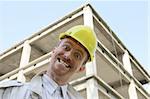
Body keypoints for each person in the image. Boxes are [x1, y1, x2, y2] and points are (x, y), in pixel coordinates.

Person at [0, 25, 97, 99]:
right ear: (54, 51)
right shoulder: (9, 93)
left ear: (81, 68)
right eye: (66, 47)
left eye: (77, 55)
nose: (68, 56)